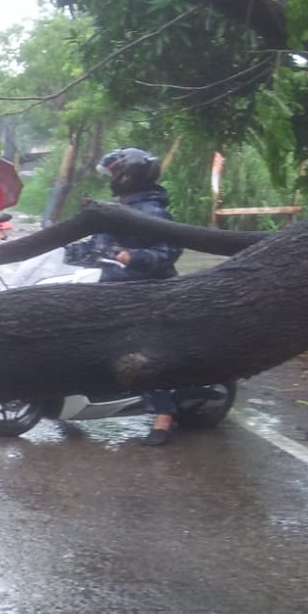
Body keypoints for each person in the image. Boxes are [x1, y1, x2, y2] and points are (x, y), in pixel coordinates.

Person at [72, 147, 183, 445]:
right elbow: (96, 244)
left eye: (116, 173)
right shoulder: (116, 208)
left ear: (129, 175)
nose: (112, 178)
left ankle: (164, 414)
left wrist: (130, 256)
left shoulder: (151, 211)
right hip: (112, 287)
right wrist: (69, 250)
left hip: (148, 291)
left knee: (135, 349)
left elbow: (168, 251)